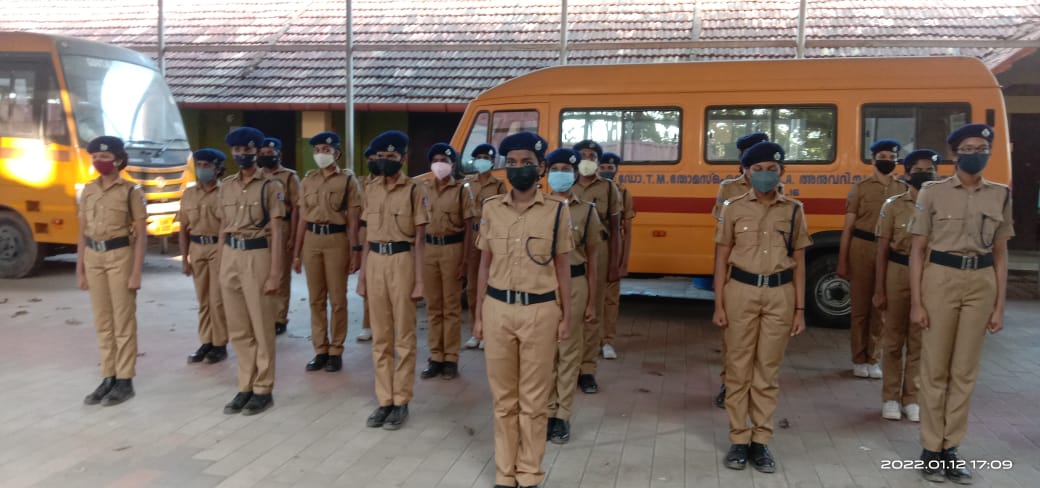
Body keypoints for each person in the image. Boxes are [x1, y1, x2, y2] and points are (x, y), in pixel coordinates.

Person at [909, 124, 1012, 484]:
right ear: (954, 154)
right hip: (940, 279)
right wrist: (917, 302)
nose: (975, 153)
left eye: (982, 148)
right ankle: (930, 448)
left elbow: (1000, 253)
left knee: (965, 372)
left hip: (981, 283)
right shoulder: (932, 192)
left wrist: (999, 305)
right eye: (968, 148)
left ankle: (951, 447)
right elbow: (917, 250)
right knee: (934, 369)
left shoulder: (1000, 195)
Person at [472, 132, 573, 488]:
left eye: (526, 163)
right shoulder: (491, 209)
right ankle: (505, 473)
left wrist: (566, 316)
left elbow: (563, 268)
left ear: (540, 167)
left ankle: (529, 473)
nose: (519, 169)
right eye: (512, 163)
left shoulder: (557, 211)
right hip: (498, 309)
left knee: (533, 401)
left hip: (540, 312)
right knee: (503, 400)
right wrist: (478, 314)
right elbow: (484, 264)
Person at [713, 141, 810, 473]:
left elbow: (799, 261)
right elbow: (721, 257)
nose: (765, 175)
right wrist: (718, 303)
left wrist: (800, 310)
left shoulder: (794, 210)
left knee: (767, 371)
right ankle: (739, 439)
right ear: (746, 172)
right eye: (758, 169)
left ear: (782, 172)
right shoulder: (733, 207)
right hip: (740, 292)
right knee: (738, 369)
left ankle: (761, 441)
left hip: (780, 295)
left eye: (772, 169)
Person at [357, 130, 427, 430]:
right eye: (382, 157)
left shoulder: (414, 190)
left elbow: (421, 240)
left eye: (392, 156)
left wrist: (420, 281)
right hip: (375, 260)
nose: (386, 161)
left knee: (405, 336)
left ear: (403, 158)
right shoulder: (370, 189)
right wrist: (362, 275)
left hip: (402, 261)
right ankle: (384, 399)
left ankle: (401, 400)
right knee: (380, 336)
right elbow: (367, 237)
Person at [218, 127, 286, 416]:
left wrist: (275, 273)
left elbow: (277, 231)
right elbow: (223, 227)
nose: (242, 155)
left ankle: (263, 388)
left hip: (258, 254)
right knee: (238, 328)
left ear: (257, 152)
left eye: (247, 150)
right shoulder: (226, 186)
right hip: (231, 255)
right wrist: (221, 265)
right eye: (237, 151)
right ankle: (245, 385)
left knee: (261, 326)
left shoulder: (271, 186)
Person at [78, 136, 147, 406]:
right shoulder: (88, 190)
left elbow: (141, 235)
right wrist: (80, 269)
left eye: (105, 157)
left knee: (123, 320)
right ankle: (108, 376)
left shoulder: (131, 192)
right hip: (94, 257)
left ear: (118, 160)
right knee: (103, 321)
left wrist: (136, 272)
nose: (99, 162)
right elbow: (82, 232)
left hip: (120, 257)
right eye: (95, 157)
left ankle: (125, 379)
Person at [873, 149, 939, 422]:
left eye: (930, 170)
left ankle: (912, 398)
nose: (925, 174)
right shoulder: (893, 205)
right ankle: (890, 397)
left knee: (919, 341)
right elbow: (882, 250)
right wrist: (879, 289)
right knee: (893, 339)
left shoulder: (941, 205)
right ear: (908, 174)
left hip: (929, 275)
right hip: (897, 272)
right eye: (919, 170)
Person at [545, 148, 602, 445]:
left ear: (575, 173)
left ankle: (561, 415)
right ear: (546, 173)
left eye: (566, 170)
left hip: (576, 283)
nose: (560, 175)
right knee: (545, 352)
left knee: (568, 351)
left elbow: (593, 260)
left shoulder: (587, 210)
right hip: (544, 286)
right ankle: (545, 410)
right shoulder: (537, 207)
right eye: (555, 169)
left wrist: (592, 301)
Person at [293, 132, 363, 373]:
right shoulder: (308, 180)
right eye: (317, 150)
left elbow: (353, 219)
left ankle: (336, 350)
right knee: (315, 298)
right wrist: (296, 252)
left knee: (337, 298)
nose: (321, 154)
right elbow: (302, 219)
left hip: (336, 240)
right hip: (312, 240)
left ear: (336, 153)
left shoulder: (347, 181)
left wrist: (355, 250)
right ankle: (320, 349)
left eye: (326, 150)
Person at [710, 132, 770, 409]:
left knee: (764, 341)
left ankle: (755, 388)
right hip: (738, 271)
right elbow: (722, 236)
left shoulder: (777, 188)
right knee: (734, 338)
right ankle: (729, 383)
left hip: (767, 271)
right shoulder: (729, 189)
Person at [838, 139, 906, 379]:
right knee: (860, 307)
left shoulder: (902, 188)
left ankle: (873, 358)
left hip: (889, 251)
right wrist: (843, 260)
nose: (887, 161)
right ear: (873, 159)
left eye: (892, 157)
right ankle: (858, 358)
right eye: (882, 157)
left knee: (881, 307)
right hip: (862, 247)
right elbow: (848, 227)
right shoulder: (861, 187)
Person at [419, 143, 476, 381]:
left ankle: (451, 357)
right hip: (429, 249)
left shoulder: (462, 190)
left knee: (451, 307)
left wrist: (465, 261)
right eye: (436, 160)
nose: (439, 164)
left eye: (444, 160)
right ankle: (436, 356)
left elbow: (469, 228)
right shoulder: (423, 189)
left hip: (453, 249)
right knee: (433, 306)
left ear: (453, 165)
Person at [570, 139, 621, 394]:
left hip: (599, 250)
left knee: (592, 310)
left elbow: (616, 228)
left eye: (592, 156)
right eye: (582, 155)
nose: (587, 159)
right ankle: (566, 365)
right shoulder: (565, 184)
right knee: (567, 309)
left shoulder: (609, 189)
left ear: (598, 161)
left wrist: (615, 264)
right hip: (570, 252)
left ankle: (587, 370)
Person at [178, 148, 229, 365]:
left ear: (217, 169)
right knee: (203, 299)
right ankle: (206, 341)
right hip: (197, 248)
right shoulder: (189, 194)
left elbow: (226, 227)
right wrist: (184, 258)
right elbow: (183, 228)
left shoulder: (225, 193)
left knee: (217, 300)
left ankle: (220, 343)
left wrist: (224, 256)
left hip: (218, 247)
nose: (202, 169)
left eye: (207, 165)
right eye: (199, 165)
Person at [463, 143, 506, 350]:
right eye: (479, 157)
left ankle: (489, 331)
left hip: (491, 237)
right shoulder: (467, 184)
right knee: (472, 287)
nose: (482, 161)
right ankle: (475, 329)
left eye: (486, 158)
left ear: (492, 162)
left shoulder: (499, 186)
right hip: (472, 237)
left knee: (489, 285)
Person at [258, 137, 300, 336]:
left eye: (270, 153)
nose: (266, 156)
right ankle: (264, 314)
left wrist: (293, 236)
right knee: (261, 273)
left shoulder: (289, 177)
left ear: (279, 155)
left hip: (282, 227)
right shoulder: (256, 176)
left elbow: (297, 208)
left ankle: (279, 318)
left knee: (281, 276)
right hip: (260, 229)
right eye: (262, 153)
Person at [596, 151, 634, 361]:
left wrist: (623, 262)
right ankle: (590, 340)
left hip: (612, 249)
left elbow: (626, 230)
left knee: (610, 300)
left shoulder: (622, 193)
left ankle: (607, 341)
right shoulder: (581, 189)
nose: (606, 171)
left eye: (610, 168)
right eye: (602, 167)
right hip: (590, 250)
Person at [357, 146, 379, 342]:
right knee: (367, 279)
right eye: (370, 159)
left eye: (376, 159)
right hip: (365, 230)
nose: (373, 162)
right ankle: (367, 324)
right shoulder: (362, 183)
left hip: (384, 232)